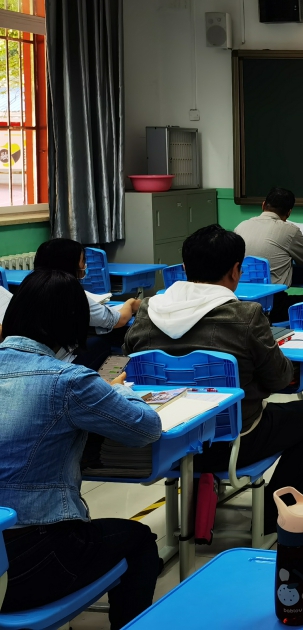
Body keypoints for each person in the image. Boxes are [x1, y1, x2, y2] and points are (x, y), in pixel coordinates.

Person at [124, 224, 303, 536]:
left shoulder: (146, 312)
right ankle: (274, 514)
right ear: (236, 270)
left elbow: (131, 364)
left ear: (184, 269)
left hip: (167, 444)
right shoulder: (247, 315)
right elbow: (279, 379)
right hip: (235, 442)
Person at [0, 269, 162, 629]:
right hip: (26, 562)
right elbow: (146, 429)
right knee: (138, 540)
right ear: (73, 323)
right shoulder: (69, 381)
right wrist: (118, 390)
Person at [34, 238, 141, 370]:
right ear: (70, 264)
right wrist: (130, 303)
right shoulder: (70, 292)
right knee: (100, 343)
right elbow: (118, 320)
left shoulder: (29, 286)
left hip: (28, 358)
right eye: (83, 261)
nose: (84, 266)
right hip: (56, 365)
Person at [234, 186, 303, 320]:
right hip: (273, 306)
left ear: (263, 205)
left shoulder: (240, 226)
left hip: (240, 304)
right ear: (289, 213)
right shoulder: (290, 230)